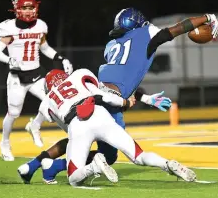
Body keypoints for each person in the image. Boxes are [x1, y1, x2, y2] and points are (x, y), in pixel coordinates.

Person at [20, 7, 218, 182]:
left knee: (78, 136)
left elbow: (117, 80)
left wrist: (145, 98)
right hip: (109, 104)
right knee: (112, 155)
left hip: (96, 97)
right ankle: (55, 166)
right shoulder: (146, 34)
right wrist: (206, 17)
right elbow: (178, 29)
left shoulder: (111, 46)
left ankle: (41, 164)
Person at [18, 68, 196, 186]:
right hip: (100, 114)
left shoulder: (47, 102)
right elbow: (104, 96)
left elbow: (63, 129)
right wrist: (126, 102)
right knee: (139, 156)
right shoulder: (79, 74)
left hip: (78, 125)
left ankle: (93, 167)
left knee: (73, 178)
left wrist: (34, 131)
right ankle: (166, 164)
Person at [0, 0, 73, 161]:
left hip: (36, 73)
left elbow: (45, 48)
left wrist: (61, 58)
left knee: (51, 101)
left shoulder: (40, 26)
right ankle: (5, 143)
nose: (28, 11)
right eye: (24, 8)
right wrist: (9, 60)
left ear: (36, 8)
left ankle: (34, 126)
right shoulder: (9, 28)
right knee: (13, 113)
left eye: (30, 8)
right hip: (17, 77)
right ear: (16, 9)